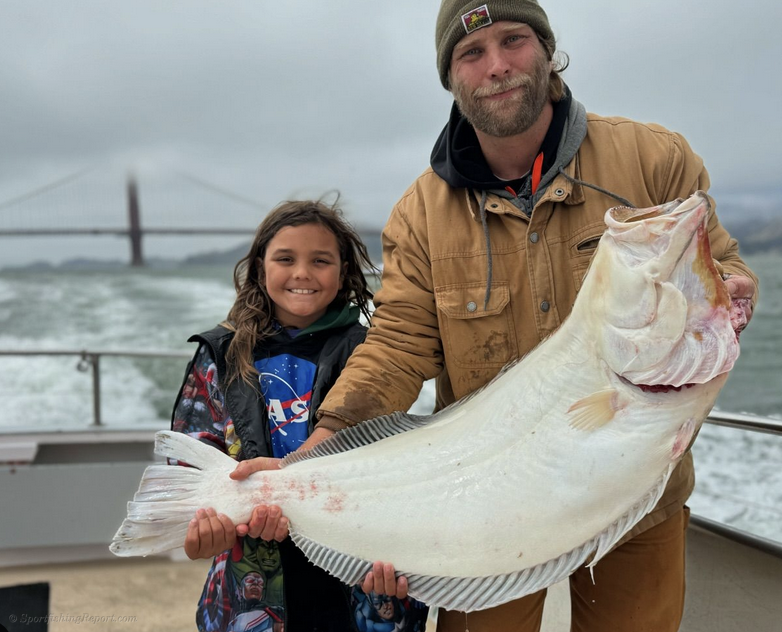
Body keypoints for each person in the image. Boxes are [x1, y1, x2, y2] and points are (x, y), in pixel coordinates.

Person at [303, 2, 759, 632]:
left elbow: (722, 266)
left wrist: (735, 293)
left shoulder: (654, 160)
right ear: (452, 78)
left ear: (547, 50)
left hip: (639, 497)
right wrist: (325, 441)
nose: (497, 66)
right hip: (488, 506)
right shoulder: (419, 212)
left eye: (513, 40)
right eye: (472, 53)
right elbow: (401, 343)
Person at [171, 199, 424, 631]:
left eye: (320, 260)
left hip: (358, 584)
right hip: (251, 592)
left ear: (344, 272)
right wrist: (202, 532)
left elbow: (397, 471)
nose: (302, 273)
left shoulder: (375, 354)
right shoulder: (220, 357)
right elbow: (187, 474)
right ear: (259, 268)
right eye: (285, 259)